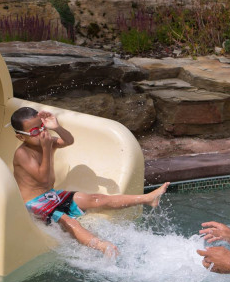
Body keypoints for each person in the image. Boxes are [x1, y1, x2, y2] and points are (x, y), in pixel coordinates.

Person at [11, 106, 169, 257]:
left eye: (42, 127)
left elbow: (69, 140)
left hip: (51, 195)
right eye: (34, 131)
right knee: (68, 221)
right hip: (34, 204)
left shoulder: (46, 142)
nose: (41, 133)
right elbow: (43, 178)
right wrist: (46, 148)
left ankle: (148, 198)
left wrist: (56, 127)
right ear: (20, 136)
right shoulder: (23, 154)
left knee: (96, 198)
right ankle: (102, 246)